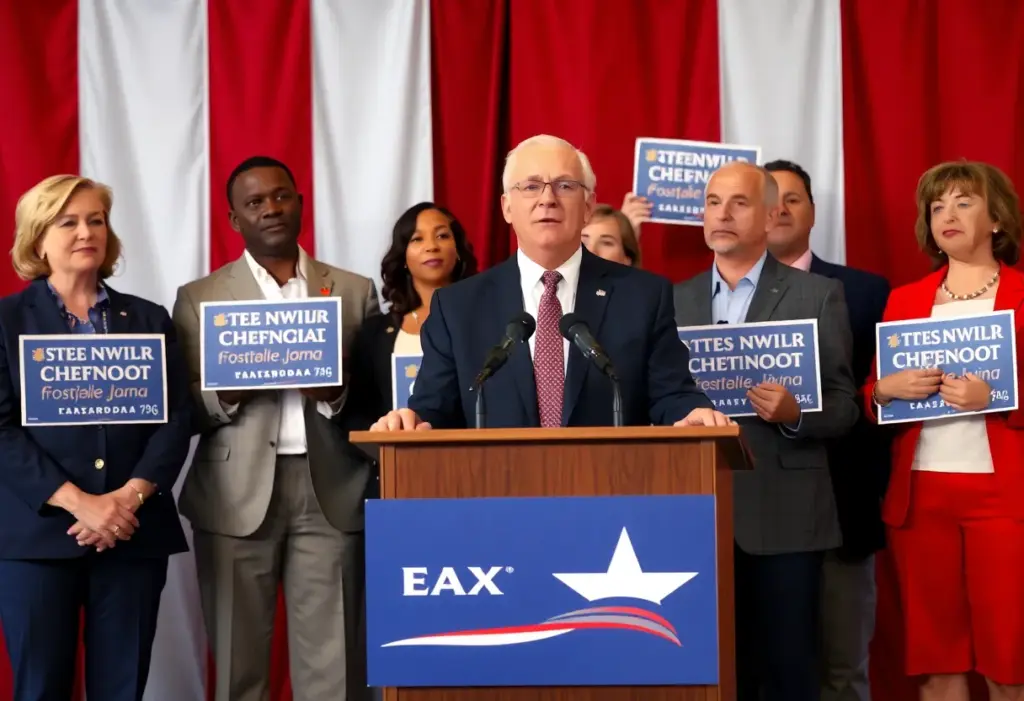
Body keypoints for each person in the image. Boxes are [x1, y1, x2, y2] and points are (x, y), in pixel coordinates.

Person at [171, 156, 381, 701]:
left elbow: (377, 397)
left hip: (331, 488)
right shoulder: (199, 298)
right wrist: (225, 393)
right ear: (235, 219)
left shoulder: (355, 291)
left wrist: (335, 393)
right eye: (256, 202)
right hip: (233, 494)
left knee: (333, 667)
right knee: (239, 663)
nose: (272, 208)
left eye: (282, 196)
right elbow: (180, 405)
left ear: (301, 204)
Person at [370, 134, 730, 431]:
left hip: (612, 497)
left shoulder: (642, 296)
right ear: (507, 207)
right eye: (530, 187)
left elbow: (671, 393)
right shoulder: (458, 307)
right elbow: (434, 408)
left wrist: (692, 411)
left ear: (588, 205)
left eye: (565, 185)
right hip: (496, 500)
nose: (547, 199)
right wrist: (411, 420)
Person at [0, 175, 193, 701]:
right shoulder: (5, 320)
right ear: (38, 239)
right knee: (40, 688)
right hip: (38, 538)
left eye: (96, 220)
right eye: (68, 222)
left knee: (123, 687)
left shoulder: (149, 318)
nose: (86, 232)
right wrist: (80, 504)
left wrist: (126, 499)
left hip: (132, 533)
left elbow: (177, 419)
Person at [673, 162, 859, 701]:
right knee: (713, 675)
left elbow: (845, 407)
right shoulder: (671, 299)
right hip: (694, 514)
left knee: (788, 675)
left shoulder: (818, 294)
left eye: (738, 202)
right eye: (712, 202)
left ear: (770, 214)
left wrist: (796, 412)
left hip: (786, 517)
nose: (722, 214)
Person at [864, 161, 1024, 701]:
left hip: (1004, 500)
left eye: (963, 201)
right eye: (937, 207)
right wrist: (885, 391)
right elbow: (871, 397)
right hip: (921, 498)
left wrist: (1000, 398)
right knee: (936, 662)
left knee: (1009, 665)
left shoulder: (1023, 296)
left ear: (997, 218)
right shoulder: (904, 300)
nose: (947, 215)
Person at [765, 159, 890, 701]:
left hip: (844, 505)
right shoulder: (710, 301)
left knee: (844, 670)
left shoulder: (866, 291)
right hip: (757, 514)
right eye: (767, 198)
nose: (780, 209)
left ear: (814, 212)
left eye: (793, 198)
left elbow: (877, 397)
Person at [347, 202, 477, 421]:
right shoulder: (375, 333)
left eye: (442, 236)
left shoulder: (484, 320)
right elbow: (360, 411)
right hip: (396, 452)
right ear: (403, 257)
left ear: (458, 251)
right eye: (417, 239)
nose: (431, 246)